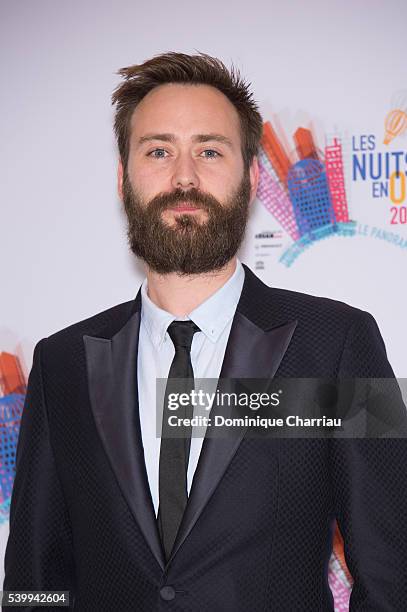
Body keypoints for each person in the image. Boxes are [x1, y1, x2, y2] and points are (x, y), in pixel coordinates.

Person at [3, 52, 407, 611]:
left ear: (252, 177)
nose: (184, 176)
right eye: (159, 151)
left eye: (210, 151)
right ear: (123, 180)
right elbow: (32, 580)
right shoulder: (62, 364)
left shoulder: (340, 343)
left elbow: (393, 574)